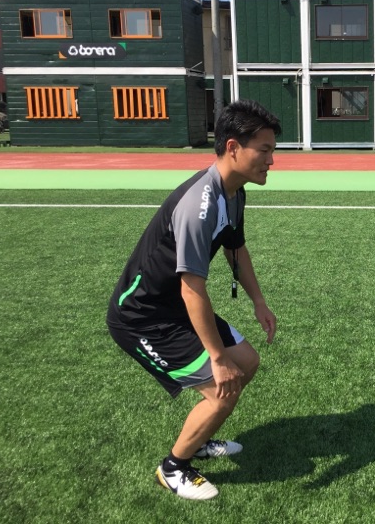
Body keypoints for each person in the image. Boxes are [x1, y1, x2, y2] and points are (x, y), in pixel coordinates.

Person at [106, 99, 281, 500]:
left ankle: (199, 437)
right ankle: (173, 468)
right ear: (233, 147)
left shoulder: (234, 192)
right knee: (223, 386)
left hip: (174, 307)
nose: (272, 161)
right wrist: (217, 358)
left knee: (247, 362)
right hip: (142, 317)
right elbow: (191, 288)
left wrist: (258, 301)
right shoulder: (198, 205)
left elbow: (235, 247)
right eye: (265, 150)